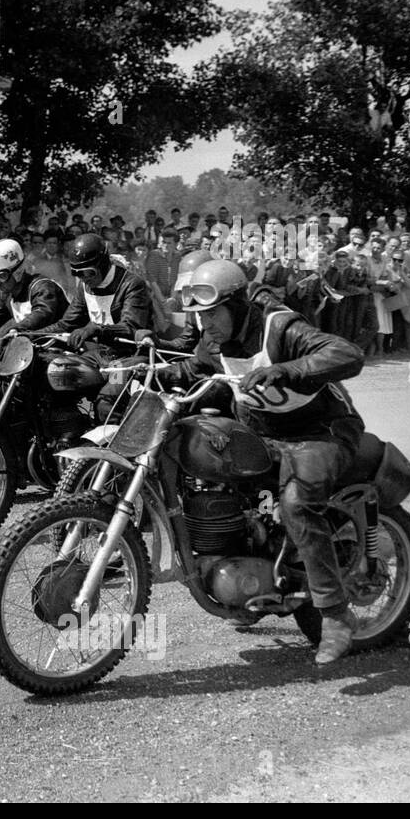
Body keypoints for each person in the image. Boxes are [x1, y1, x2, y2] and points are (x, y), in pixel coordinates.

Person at [158, 258, 367, 664]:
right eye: (199, 316)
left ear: (237, 306)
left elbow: (347, 353)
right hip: (265, 433)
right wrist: (148, 372)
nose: (206, 324)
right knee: (216, 474)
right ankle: (255, 581)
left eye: (213, 313)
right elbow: (195, 366)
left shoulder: (281, 327)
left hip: (319, 432)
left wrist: (287, 370)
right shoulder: (216, 339)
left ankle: (336, 615)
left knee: (295, 504)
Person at [37, 233, 152, 349]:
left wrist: (97, 329)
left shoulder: (131, 284)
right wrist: (31, 334)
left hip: (129, 352)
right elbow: (66, 324)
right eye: (77, 273)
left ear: (103, 265)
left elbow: (131, 327)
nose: (83, 278)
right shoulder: (84, 286)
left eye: (88, 272)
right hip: (98, 352)